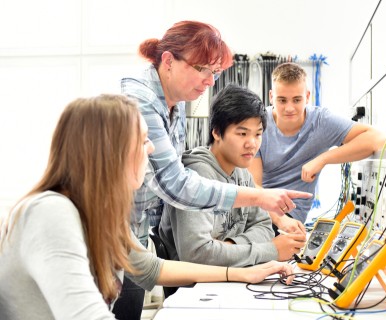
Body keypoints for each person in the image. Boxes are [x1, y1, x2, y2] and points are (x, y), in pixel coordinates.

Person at [0, 94, 295, 320]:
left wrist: (241, 273)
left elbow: (153, 268)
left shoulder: (100, 215)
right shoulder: (51, 213)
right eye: (143, 141)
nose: (152, 149)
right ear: (110, 152)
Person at [118, 21, 310, 318]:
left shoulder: (176, 102)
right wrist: (262, 210)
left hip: (136, 241)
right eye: (202, 70)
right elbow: (175, 185)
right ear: (168, 62)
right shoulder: (140, 99)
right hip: (114, 238)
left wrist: (236, 243)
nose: (210, 81)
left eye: (215, 73)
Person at [159, 84, 306, 268]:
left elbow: (264, 227)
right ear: (216, 132)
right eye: (242, 133)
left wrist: (227, 247)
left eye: (258, 134)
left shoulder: (242, 172)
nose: (252, 144)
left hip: (234, 276)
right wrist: (270, 250)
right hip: (196, 288)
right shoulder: (196, 175)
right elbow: (196, 255)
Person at [249, 62, 386, 226]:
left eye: (297, 100)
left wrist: (323, 159)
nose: (289, 108)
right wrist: (279, 219)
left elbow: (377, 138)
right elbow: (254, 187)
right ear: (271, 97)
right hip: (262, 210)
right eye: (282, 100)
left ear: (307, 96)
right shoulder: (258, 125)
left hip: (292, 215)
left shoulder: (321, 122)